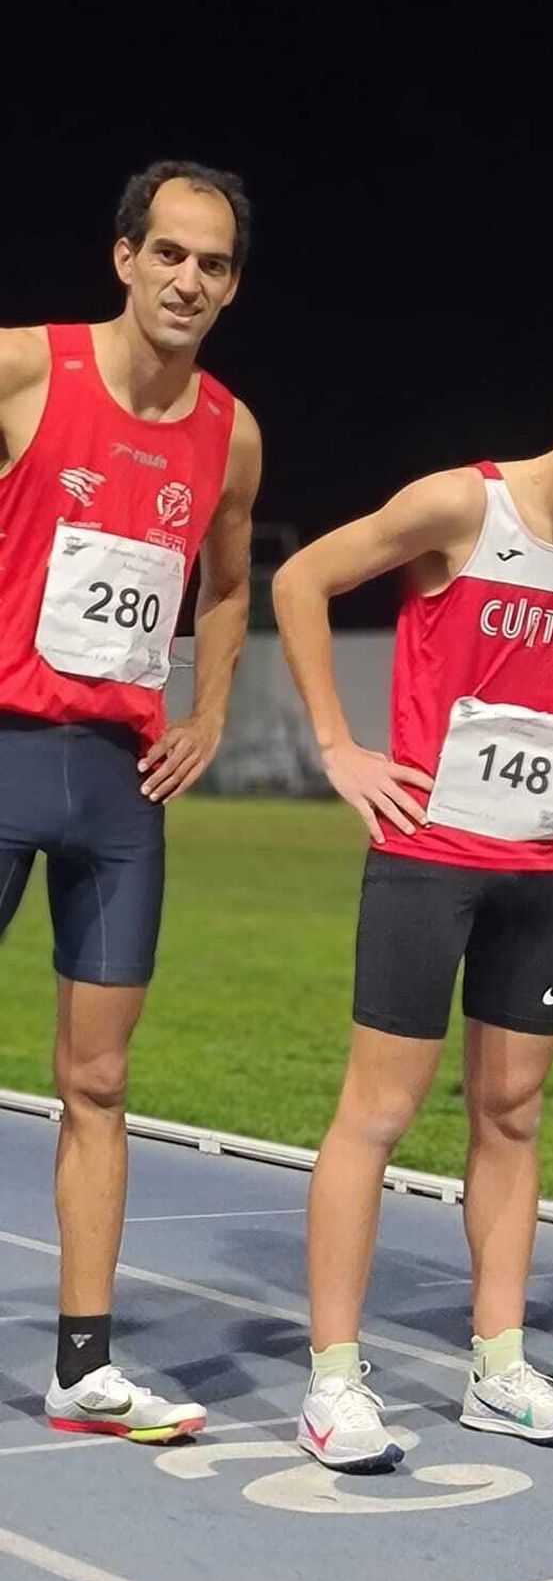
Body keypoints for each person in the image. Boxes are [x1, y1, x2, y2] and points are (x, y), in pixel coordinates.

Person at [271, 353, 553, 1470]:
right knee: (378, 1112)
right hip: (428, 857)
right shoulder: (458, 504)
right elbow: (300, 583)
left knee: (512, 1114)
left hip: (531, 873)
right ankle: (332, 1382)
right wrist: (337, 747)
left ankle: (500, 1368)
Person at [0, 161, 262, 1444]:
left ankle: (85, 1366)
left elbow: (226, 586)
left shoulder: (231, 431)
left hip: (118, 788)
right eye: (169, 254)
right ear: (123, 258)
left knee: (97, 1079)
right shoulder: (27, 369)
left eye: (212, 265)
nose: (188, 281)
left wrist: (209, 710)